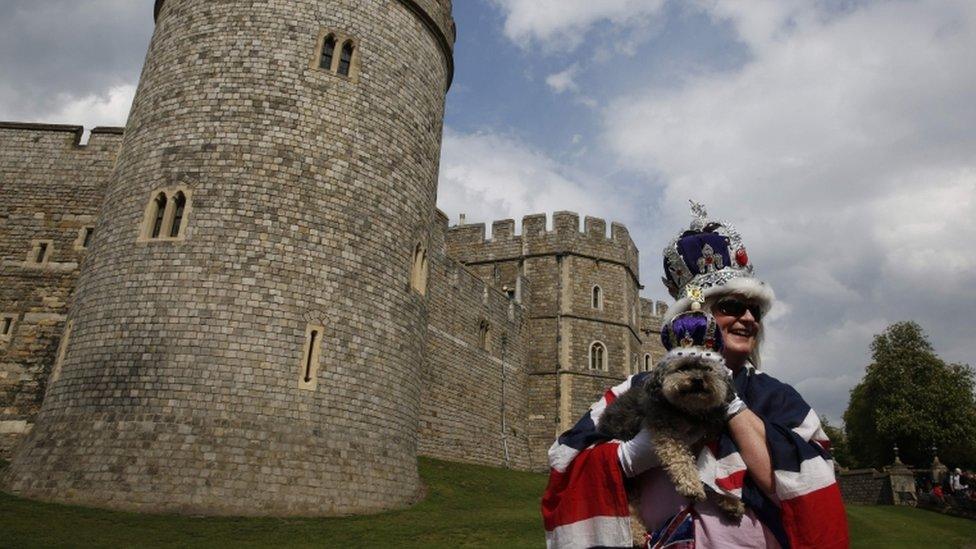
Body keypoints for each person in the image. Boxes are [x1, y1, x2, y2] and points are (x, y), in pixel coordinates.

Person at [542, 203, 849, 548]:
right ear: (696, 311)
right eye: (731, 306)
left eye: (755, 309)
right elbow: (565, 463)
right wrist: (626, 458)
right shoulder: (637, 388)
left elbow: (806, 490)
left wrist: (732, 406)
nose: (748, 318)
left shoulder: (776, 397)